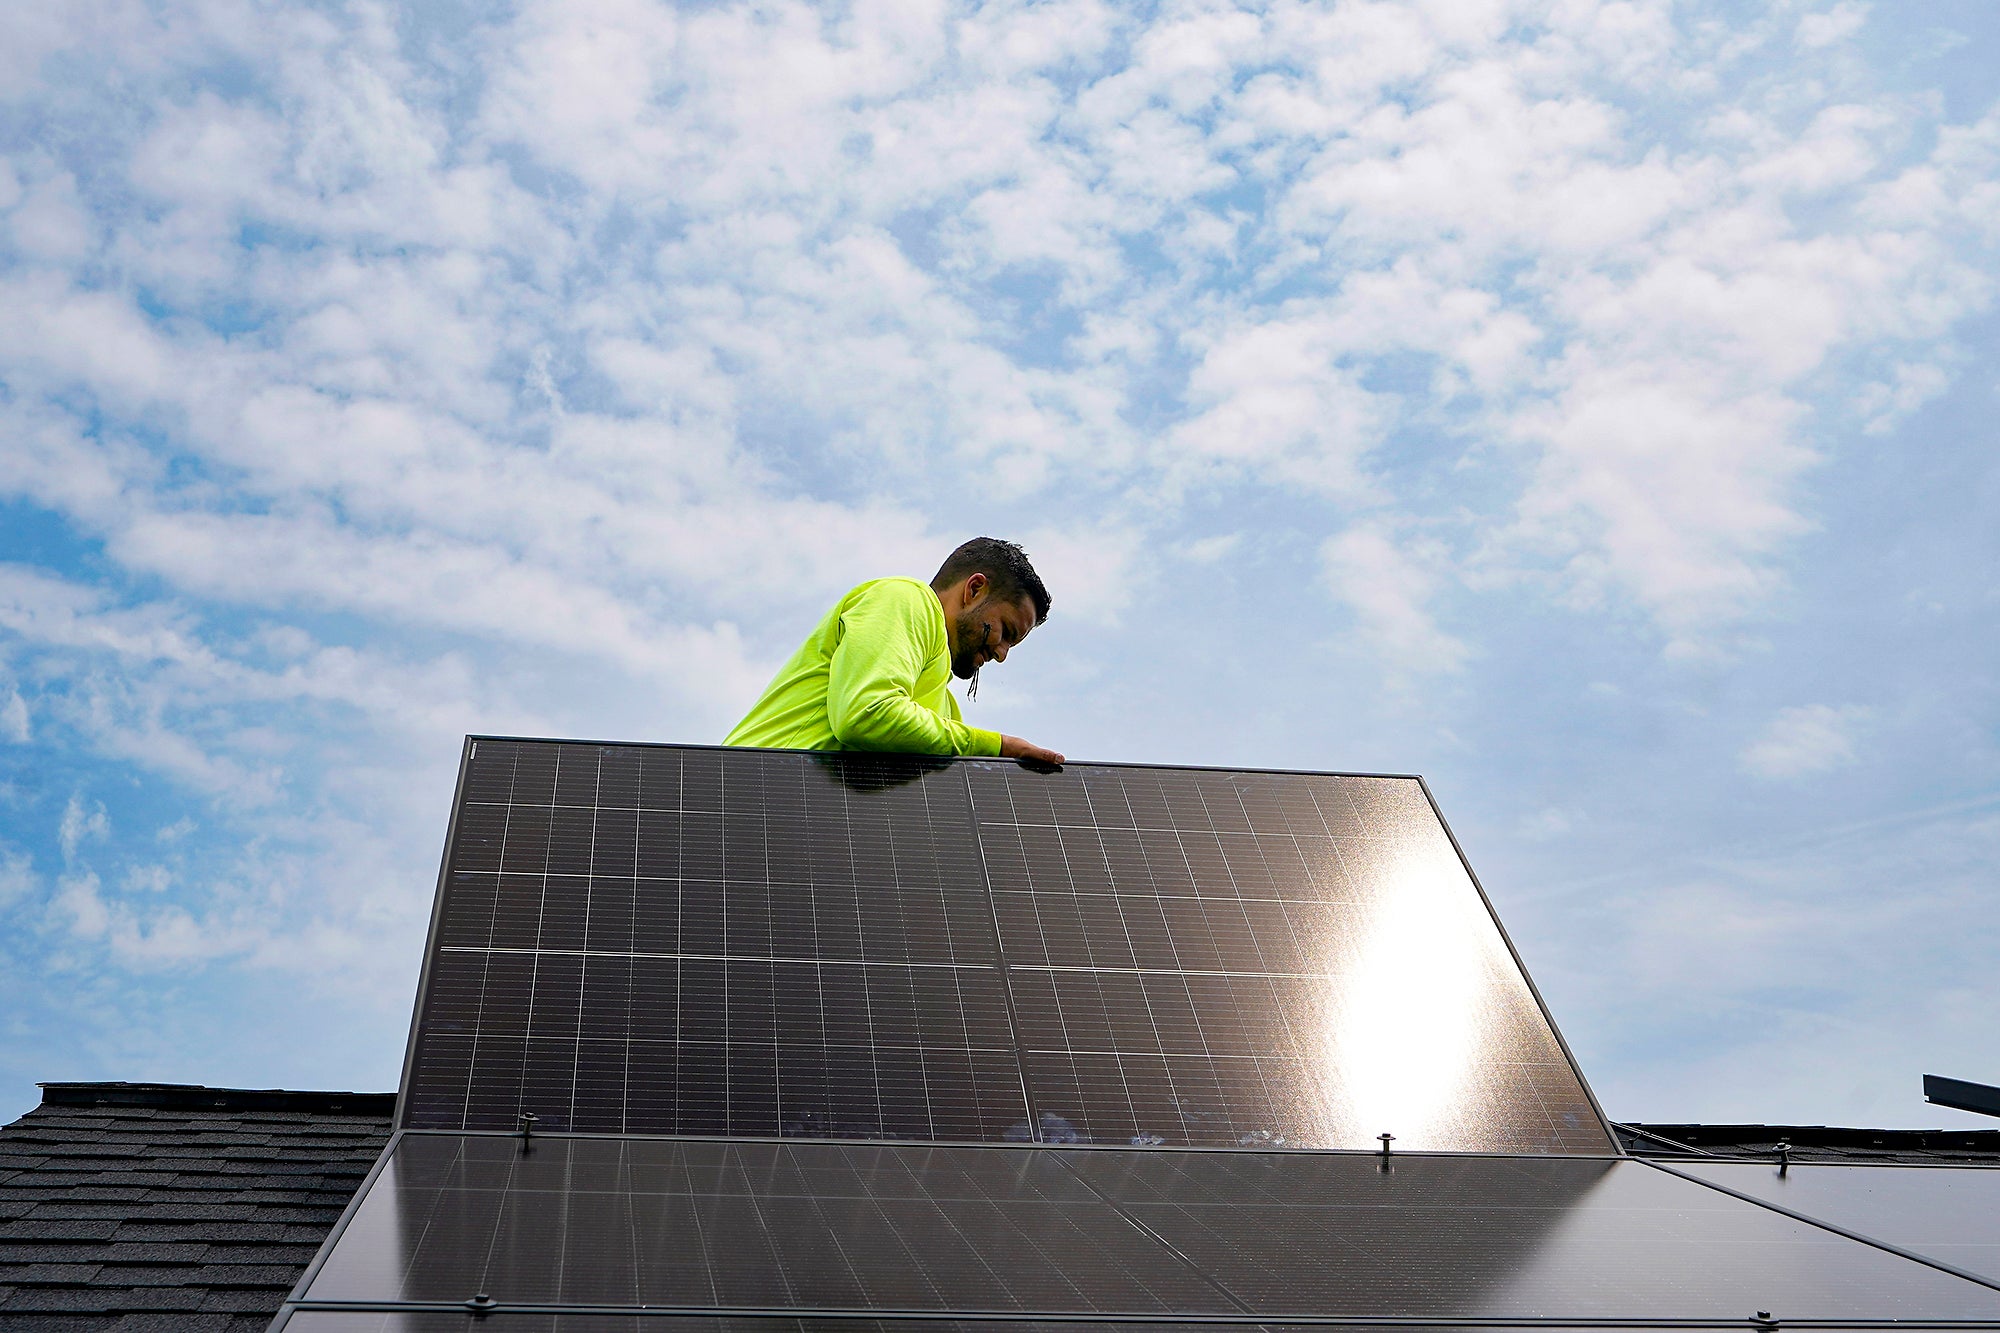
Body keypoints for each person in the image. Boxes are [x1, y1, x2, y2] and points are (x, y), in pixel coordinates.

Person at [723, 538, 1065, 764]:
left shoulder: (944, 710)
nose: (1002, 654)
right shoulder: (905, 599)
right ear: (974, 589)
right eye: (1005, 631)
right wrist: (998, 746)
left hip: (801, 825)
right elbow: (867, 713)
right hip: (750, 799)